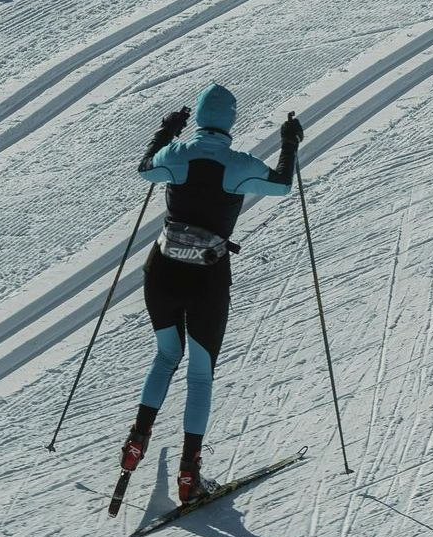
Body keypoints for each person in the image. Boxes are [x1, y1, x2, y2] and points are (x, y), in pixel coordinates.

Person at [120, 82, 303, 503]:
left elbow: (146, 167)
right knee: (200, 374)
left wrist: (166, 131)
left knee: (166, 355)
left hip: (161, 272)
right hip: (206, 280)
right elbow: (280, 185)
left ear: (199, 118)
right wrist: (289, 143)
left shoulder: (177, 154)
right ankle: (189, 476)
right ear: (230, 122)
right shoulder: (238, 164)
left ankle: (136, 442)